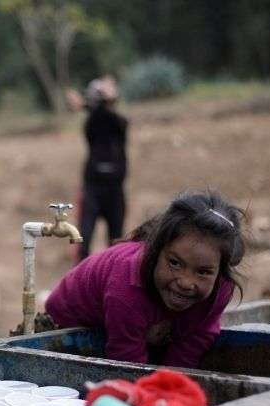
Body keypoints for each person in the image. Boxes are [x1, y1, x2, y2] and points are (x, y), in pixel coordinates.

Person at [45, 190, 245, 369]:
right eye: (175, 263)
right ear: (156, 251)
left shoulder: (221, 286)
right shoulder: (127, 287)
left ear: (220, 271)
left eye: (202, 272)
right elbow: (127, 365)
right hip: (69, 324)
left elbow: (197, 338)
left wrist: (171, 383)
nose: (185, 282)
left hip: (129, 325)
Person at [77, 75, 129, 261]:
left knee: (116, 244)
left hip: (115, 189)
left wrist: (91, 102)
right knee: (82, 240)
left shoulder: (119, 123)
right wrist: (103, 98)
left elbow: (111, 117)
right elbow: (98, 115)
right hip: (93, 189)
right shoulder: (92, 123)